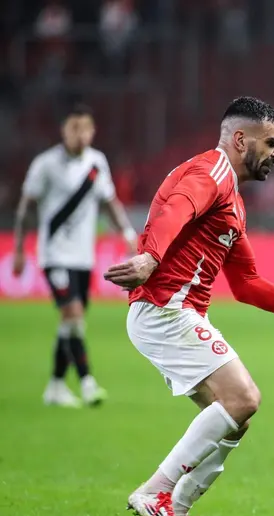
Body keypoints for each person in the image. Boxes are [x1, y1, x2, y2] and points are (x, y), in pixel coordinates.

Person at [104, 97, 274, 516]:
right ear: (241, 140)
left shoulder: (232, 198)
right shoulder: (210, 173)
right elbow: (177, 208)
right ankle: (156, 492)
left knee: (237, 415)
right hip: (165, 308)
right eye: (271, 143)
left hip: (173, 312)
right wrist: (151, 257)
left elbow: (246, 284)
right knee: (243, 397)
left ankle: (177, 512)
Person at [13, 103, 138, 408]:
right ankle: (87, 381)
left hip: (83, 256)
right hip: (54, 254)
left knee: (71, 322)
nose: (80, 134)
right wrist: (18, 249)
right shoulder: (46, 164)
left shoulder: (97, 162)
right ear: (64, 131)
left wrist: (126, 232)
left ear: (93, 131)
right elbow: (26, 206)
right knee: (73, 314)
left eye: (85, 128)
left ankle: (56, 385)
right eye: (74, 128)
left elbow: (109, 202)